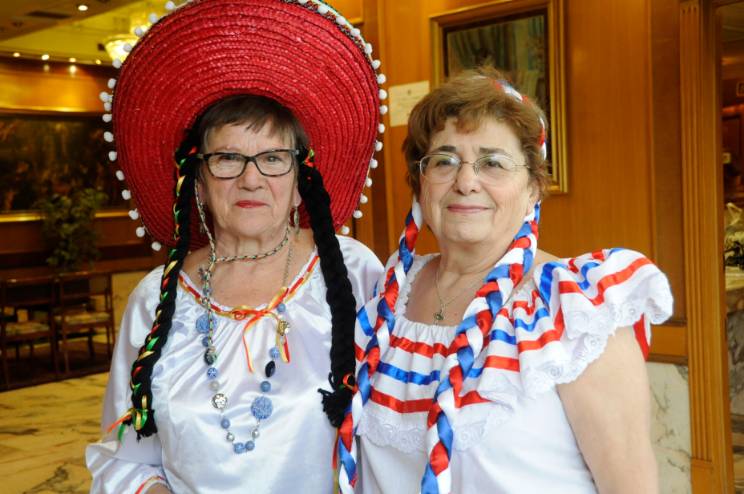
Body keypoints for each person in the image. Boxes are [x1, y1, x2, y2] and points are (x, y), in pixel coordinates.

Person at [85, 1, 386, 492]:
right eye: (227, 158)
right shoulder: (156, 299)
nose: (251, 178)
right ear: (198, 183)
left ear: (300, 181)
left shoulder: (353, 274)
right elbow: (126, 459)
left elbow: (397, 429)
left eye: (273, 158)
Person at [336, 67, 673, 494]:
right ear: (421, 185)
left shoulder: (573, 310)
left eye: (493, 163)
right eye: (444, 161)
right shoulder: (388, 295)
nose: (465, 182)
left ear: (533, 188)